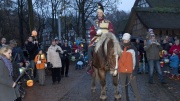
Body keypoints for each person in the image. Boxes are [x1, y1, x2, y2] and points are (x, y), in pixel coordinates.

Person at [87, 2, 114, 73]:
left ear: (102, 14)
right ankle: (90, 64)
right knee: (89, 48)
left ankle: (112, 64)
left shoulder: (108, 22)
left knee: (112, 49)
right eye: (98, 13)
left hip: (106, 39)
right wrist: (96, 33)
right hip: (96, 39)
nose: (98, 14)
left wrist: (106, 34)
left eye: (100, 13)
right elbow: (91, 31)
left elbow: (111, 30)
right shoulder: (94, 22)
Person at [118, 33, 141, 101]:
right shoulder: (120, 48)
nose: (124, 42)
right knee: (123, 88)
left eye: (126, 40)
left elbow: (136, 61)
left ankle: (138, 99)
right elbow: (117, 59)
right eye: (124, 40)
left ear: (129, 40)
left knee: (134, 87)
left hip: (131, 71)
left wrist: (134, 72)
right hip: (122, 71)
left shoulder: (133, 49)